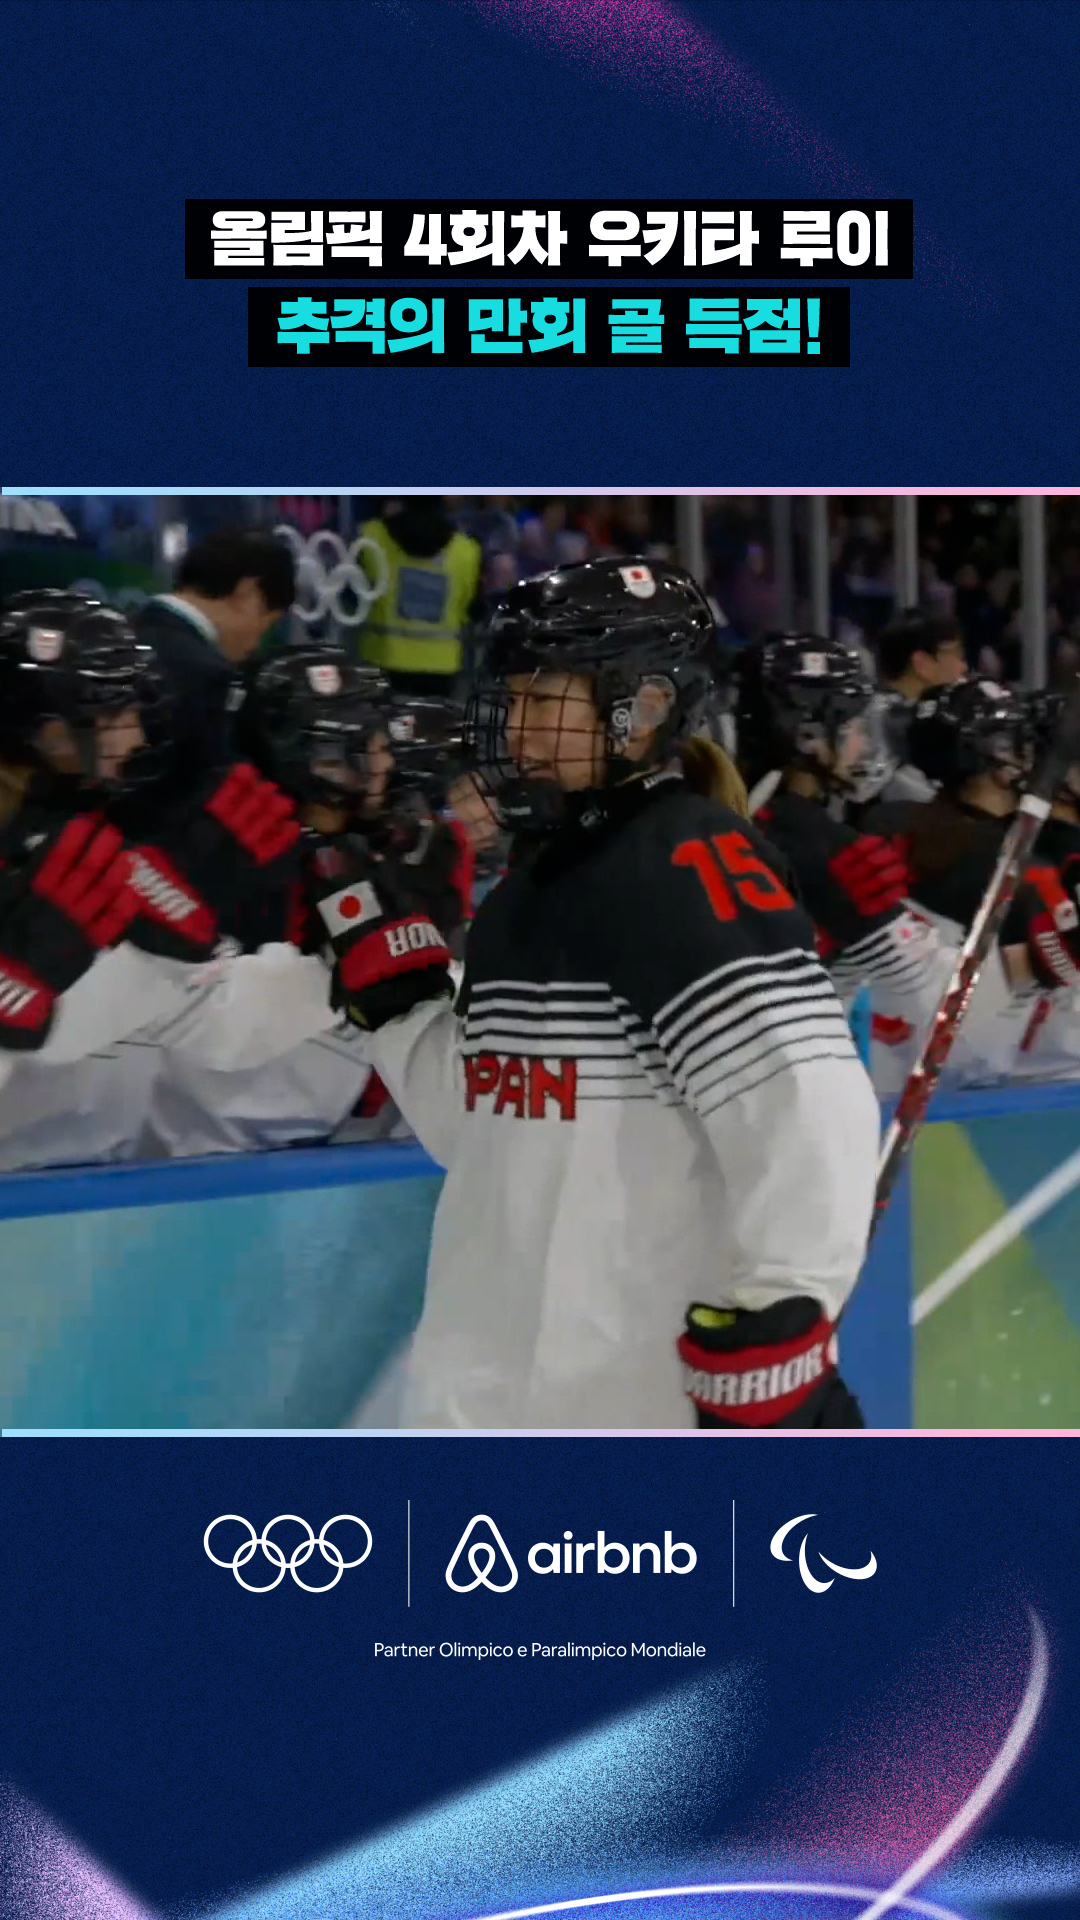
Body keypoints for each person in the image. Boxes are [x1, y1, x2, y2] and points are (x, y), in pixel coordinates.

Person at [316, 558, 881, 1430]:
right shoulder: (532, 884)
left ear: (645, 708)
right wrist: (404, 1010)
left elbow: (805, 1097)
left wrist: (786, 1304)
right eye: (511, 699)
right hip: (485, 1392)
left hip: (628, 1398)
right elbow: (489, 1128)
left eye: (545, 702)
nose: (516, 726)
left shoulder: (688, 859)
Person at [0, 591, 301, 1168]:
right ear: (36, 727)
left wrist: (330, 970)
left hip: (109, 1202)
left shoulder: (87, 846)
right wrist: (16, 984)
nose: (135, 736)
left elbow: (211, 1029)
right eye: (111, 714)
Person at [137, 645, 474, 1157]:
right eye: (371, 745)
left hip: (328, 1134)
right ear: (319, 759)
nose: (386, 761)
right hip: (200, 1147)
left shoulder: (400, 850)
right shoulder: (230, 849)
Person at [733, 634, 1033, 1096]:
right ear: (809, 735)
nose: (860, 741)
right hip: (803, 1089)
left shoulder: (722, 823)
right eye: (851, 726)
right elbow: (958, 1029)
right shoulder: (830, 850)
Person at [134, 527, 296, 790]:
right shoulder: (208, 676)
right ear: (246, 591)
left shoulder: (124, 637)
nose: (255, 645)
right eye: (267, 625)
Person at [357, 499, 483, 694]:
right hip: (441, 669)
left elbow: (350, 595)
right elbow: (473, 609)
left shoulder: (370, 537)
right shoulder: (466, 551)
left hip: (381, 662)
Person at [865, 609, 968, 807]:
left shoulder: (866, 711)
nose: (963, 668)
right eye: (957, 656)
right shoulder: (896, 725)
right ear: (923, 664)